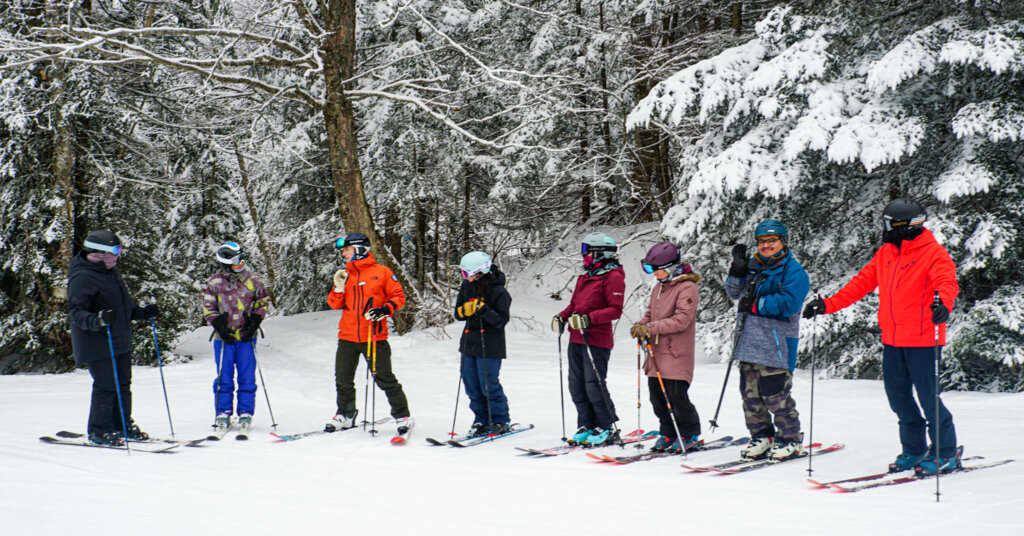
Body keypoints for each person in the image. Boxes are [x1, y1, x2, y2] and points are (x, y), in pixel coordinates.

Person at [803, 199, 960, 475]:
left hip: (923, 340)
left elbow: (946, 282)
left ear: (904, 225)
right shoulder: (886, 253)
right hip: (893, 340)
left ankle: (945, 453)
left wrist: (943, 305)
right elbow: (860, 284)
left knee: (928, 398)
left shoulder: (934, 253)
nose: (885, 229)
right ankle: (913, 450)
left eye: (889, 224)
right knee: (899, 399)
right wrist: (826, 305)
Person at [725, 219, 810, 461]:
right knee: (750, 397)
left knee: (776, 396)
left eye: (772, 241)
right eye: (762, 242)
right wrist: (737, 271)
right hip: (748, 342)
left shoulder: (794, 271)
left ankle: (790, 438)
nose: (766, 246)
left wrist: (757, 303)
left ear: (783, 242)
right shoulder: (753, 267)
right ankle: (762, 436)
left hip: (776, 346)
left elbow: (789, 304)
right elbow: (733, 293)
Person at [67, 230, 158, 445]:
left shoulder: (110, 272)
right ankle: (99, 431)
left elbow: (123, 308)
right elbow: (76, 311)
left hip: (119, 339)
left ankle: (121, 424)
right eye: (116, 251)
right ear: (101, 253)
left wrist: (142, 312)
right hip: (96, 342)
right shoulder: (82, 276)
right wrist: (97, 320)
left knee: (123, 384)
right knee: (106, 385)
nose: (119, 255)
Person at [325, 232, 413, 435]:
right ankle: (346, 415)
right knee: (343, 379)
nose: (343, 254)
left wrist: (385, 309)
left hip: (374, 336)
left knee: (384, 378)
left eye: (346, 249)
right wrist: (338, 288)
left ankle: (403, 416)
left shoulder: (381, 272)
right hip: (347, 336)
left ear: (359, 249)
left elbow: (398, 296)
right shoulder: (345, 274)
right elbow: (334, 304)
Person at [551, 232, 624, 446]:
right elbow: (575, 305)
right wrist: (562, 317)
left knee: (594, 384)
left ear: (600, 252)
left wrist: (588, 319)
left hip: (597, 340)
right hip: (576, 338)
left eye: (587, 251)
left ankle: (606, 425)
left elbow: (615, 310)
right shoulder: (585, 276)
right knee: (576, 384)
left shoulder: (613, 276)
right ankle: (586, 423)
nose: (584, 256)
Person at [630, 242, 702, 453]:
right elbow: (651, 314)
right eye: (649, 269)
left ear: (671, 267)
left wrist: (649, 328)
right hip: (656, 353)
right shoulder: (659, 288)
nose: (654, 274)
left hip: (676, 353)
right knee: (657, 397)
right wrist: (640, 325)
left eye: (656, 269)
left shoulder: (687, 287)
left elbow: (681, 320)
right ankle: (668, 432)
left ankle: (690, 433)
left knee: (676, 397)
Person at [201, 242, 270, 430]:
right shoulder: (215, 282)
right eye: (236, 261)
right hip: (224, 339)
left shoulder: (252, 280)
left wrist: (255, 321)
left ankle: (245, 412)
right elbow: (208, 307)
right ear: (226, 262)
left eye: (241, 259)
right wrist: (219, 326)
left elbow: (263, 300)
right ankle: (223, 412)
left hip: (246, 336)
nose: (241, 264)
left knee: (247, 375)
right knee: (224, 376)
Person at [454, 251, 512, 437]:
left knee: (488, 383)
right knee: (470, 383)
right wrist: (464, 311)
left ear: (480, 272)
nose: (466, 278)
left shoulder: (499, 291)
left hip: (490, 345)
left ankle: (500, 420)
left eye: (467, 274)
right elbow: (457, 314)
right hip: (469, 343)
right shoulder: (466, 286)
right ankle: (481, 419)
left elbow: (501, 321)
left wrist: (483, 309)